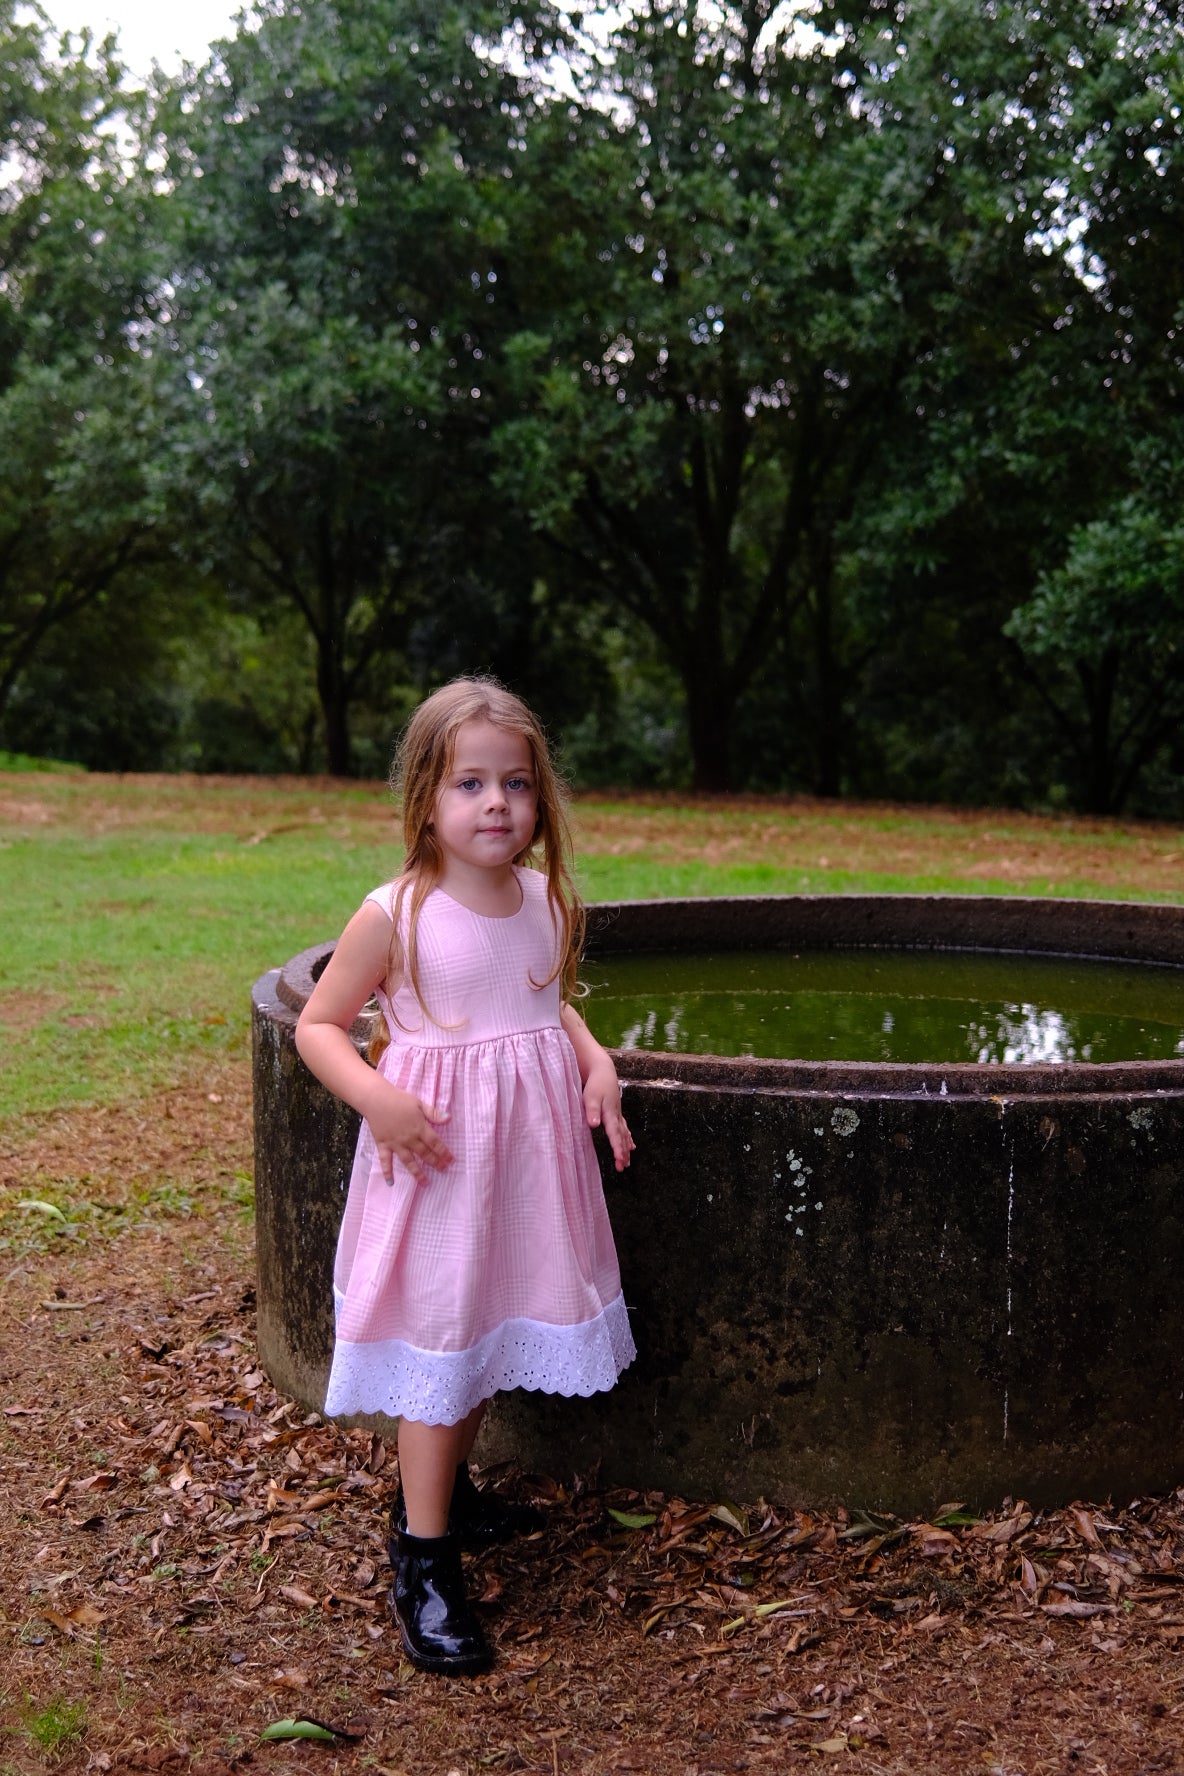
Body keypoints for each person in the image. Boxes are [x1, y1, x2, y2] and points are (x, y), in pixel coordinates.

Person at [295, 677, 636, 1676]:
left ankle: (441, 1494)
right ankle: (422, 1559)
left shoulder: (538, 900)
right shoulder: (395, 913)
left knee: (487, 1322)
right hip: (439, 1162)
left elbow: (543, 1004)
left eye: (516, 783)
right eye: (470, 783)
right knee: (443, 1337)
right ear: (425, 799)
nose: (496, 804)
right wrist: (377, 1098)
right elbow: (319, 1025)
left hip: (524, 1166)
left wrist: (596, 1060)